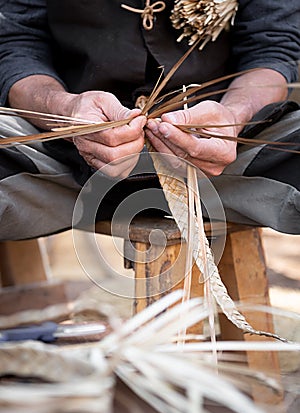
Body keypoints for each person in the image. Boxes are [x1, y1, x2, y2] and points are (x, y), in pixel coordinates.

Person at [0, 0, 299, 241]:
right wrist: (64, 112)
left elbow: (273, 49)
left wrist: (233, 118)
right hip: (60, 152)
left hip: (228, 157)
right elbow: (16, 43)